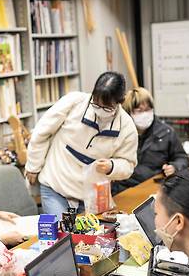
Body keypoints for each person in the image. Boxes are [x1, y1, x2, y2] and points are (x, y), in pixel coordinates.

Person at [25, 72, 138, 217]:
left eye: (107, 108)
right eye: (96, 104)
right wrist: (33, 166)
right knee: (62, 236)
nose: (99, 110)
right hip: (55, 185)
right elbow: (41, 132)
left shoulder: (127, 128)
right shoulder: (73, 102)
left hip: (90, 197)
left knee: (88, 237)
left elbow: (128, 165)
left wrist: (112, 166)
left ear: (119, 102)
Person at [112, 87, 189, 195]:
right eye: (139, 110)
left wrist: (175, 167)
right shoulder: (118, 132)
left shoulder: (166, 132)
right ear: (129, 112)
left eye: (148, 110)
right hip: (122, 189)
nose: (144, 114)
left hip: (153, 188)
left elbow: (181, 157)